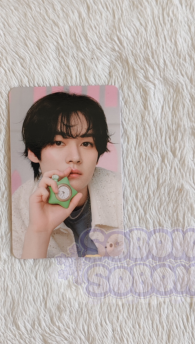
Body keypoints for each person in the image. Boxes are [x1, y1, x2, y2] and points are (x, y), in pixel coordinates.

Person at [12, 91, 124, 259]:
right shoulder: (19, 204)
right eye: (59, 142)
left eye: (86, 143)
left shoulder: (120, 191)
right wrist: (39, 231)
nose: (75, 157)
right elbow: (21, 274)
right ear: (33, 152)